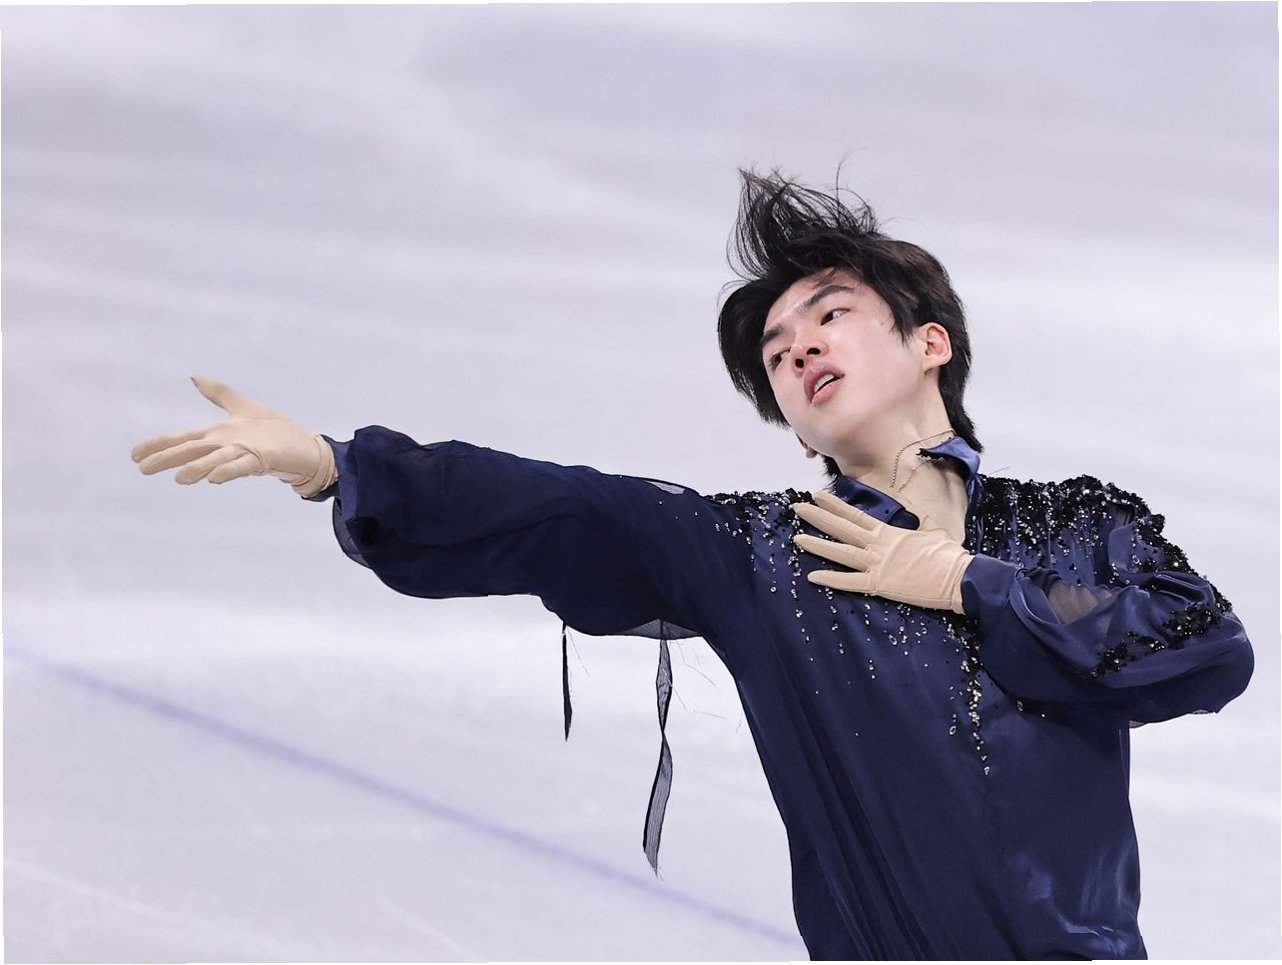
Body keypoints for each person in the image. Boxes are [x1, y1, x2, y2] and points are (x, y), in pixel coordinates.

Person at [131, 169, 1253, 960]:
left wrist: (963, 579)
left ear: (929, 342)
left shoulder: (1071, 526)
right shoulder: (764, 557)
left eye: (829, 315)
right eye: (777, 353)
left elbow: (1202, 642)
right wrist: (341, 465)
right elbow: (567, 508)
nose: (800, 347)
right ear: (794, 430)